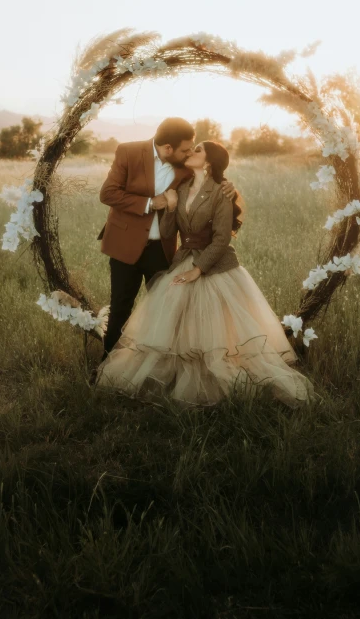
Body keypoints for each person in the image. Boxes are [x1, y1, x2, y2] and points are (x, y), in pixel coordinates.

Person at [94, 140, 315, 409]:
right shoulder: (181, 187)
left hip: (214, 265)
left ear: (209, 162)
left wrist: (198, 270)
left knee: (213, 326)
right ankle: (174, 375)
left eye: (197, 150)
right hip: (183, 258)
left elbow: (222, 239)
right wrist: (171, 207)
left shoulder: (221, 192)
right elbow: (166, 233)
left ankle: (214, 378)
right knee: (175, 317)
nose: (191, 153)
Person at [97, 118, 236, 359]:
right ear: (168, 148)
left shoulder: (184, 166)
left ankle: (161, 364)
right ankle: (106, 365)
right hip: (124, 245)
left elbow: (209, 180)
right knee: (120, 308)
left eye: (192, 149)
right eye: (185, 149)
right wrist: (151, 203)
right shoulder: (127, 152)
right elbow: (108, 193)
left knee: (165, 312)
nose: (189, 153)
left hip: (162, 250)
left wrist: (228, 186)